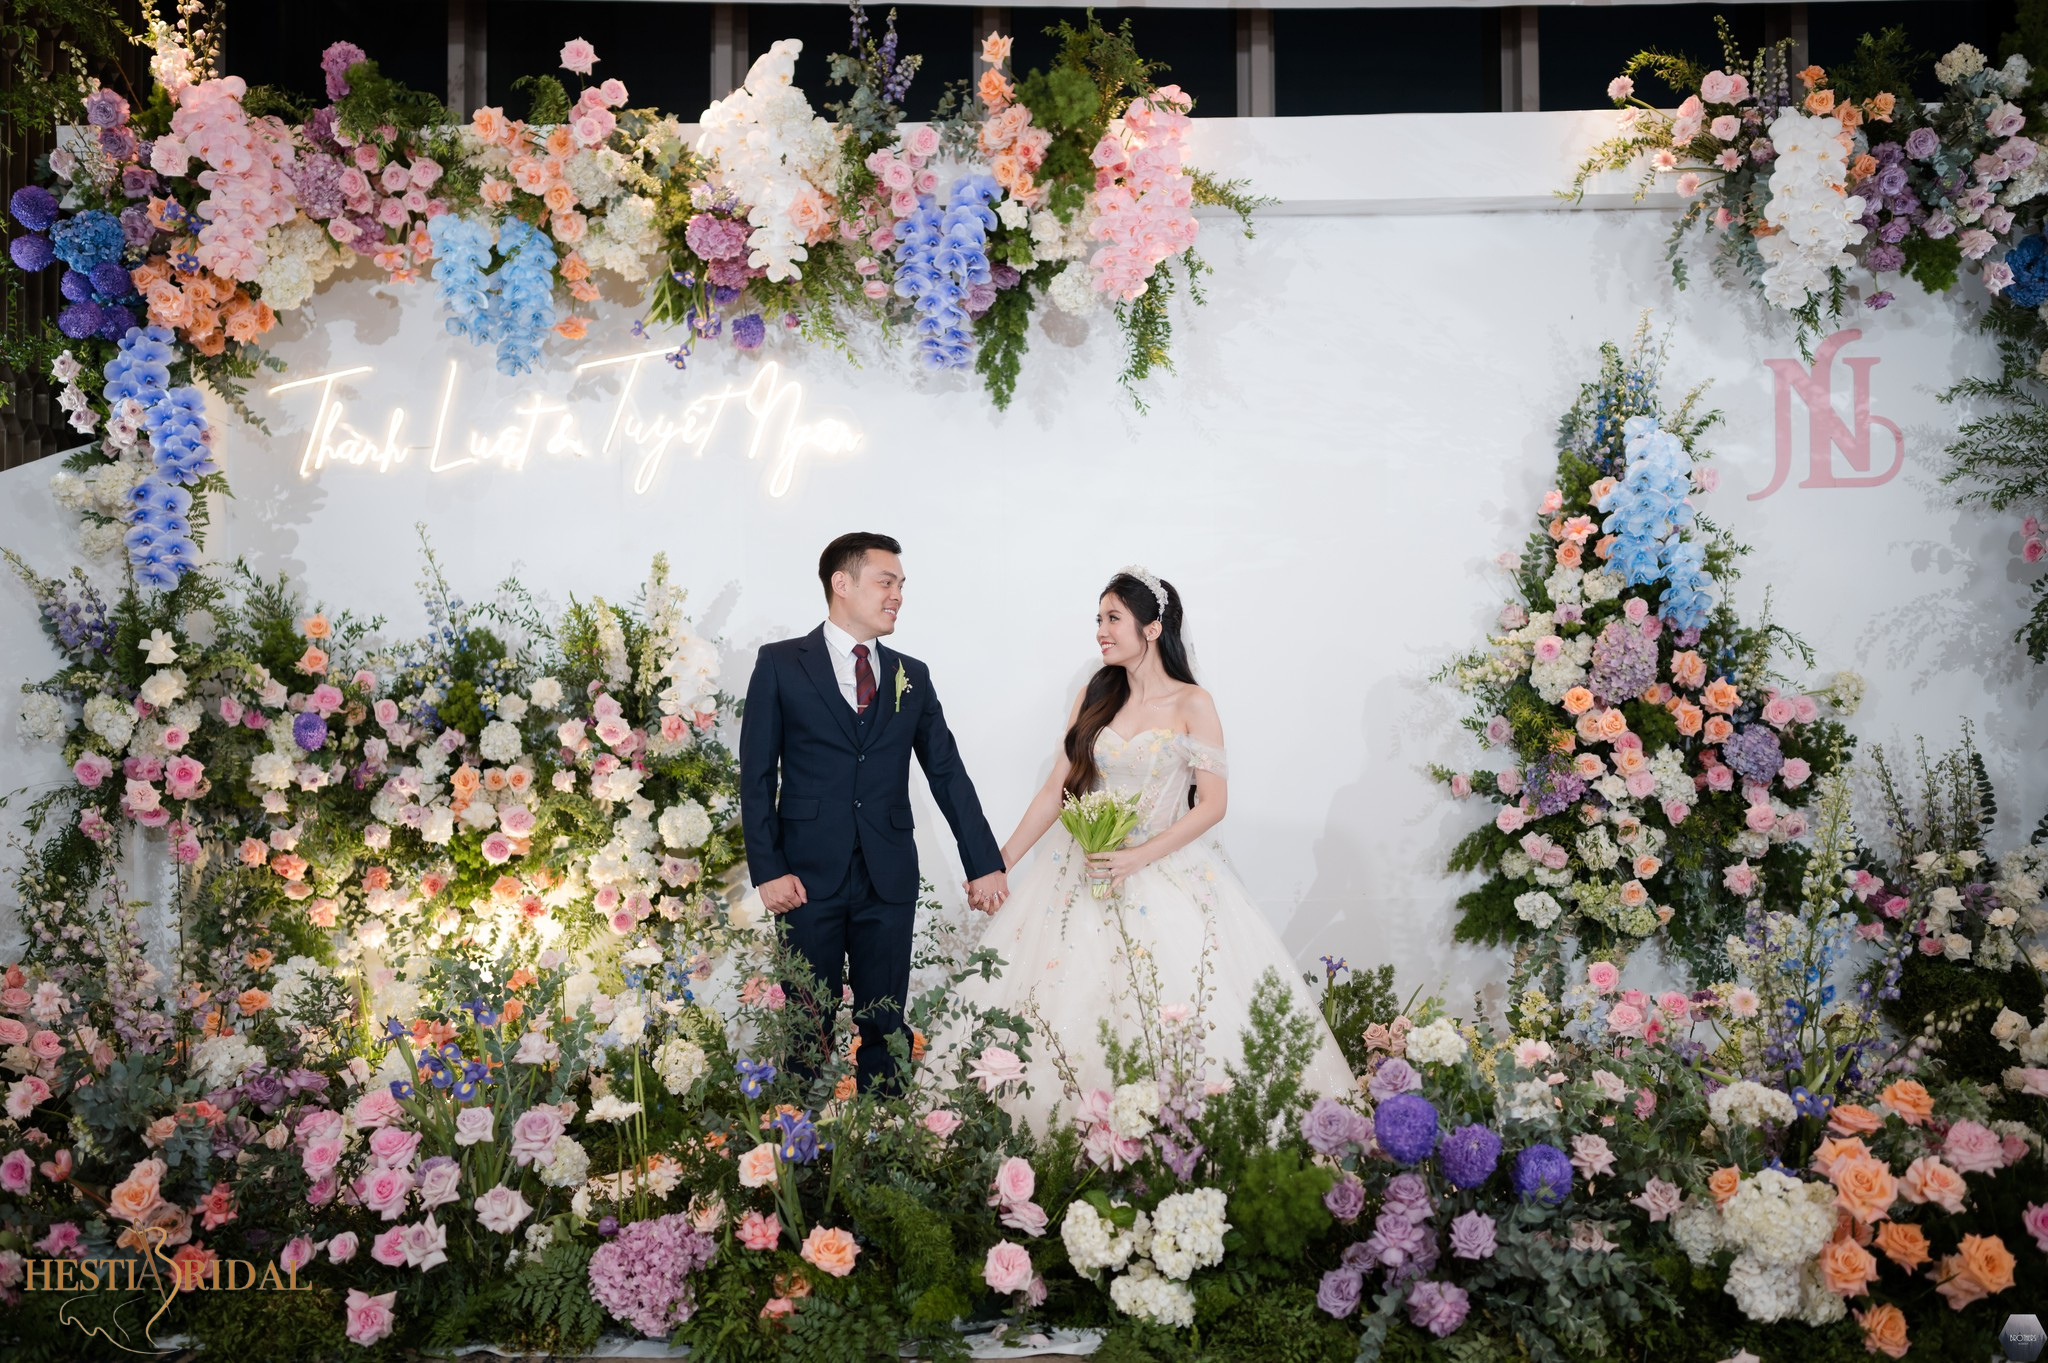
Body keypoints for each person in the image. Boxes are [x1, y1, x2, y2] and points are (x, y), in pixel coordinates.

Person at [955, 566, 1357, 1132]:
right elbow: (1056, 790)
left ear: (1151, 628)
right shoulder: (1094, 694)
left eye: (1113, 618)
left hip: (1161, 868)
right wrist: (996, 865)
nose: (1101, 630)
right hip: (1080, 870)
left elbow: (1212, 804)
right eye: (1098, 619)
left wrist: (1138, 857)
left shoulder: (1194, 702)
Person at [739, 532, 1009, 1095]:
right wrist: (767, 870)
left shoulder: (914, 674)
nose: (898, 595)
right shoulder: (781, 664)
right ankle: (800, 1160)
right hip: (805, 878)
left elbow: (948, 772)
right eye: (886, 582)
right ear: (842, 583)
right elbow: (758, 776)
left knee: (885, 1025)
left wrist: (984, 862)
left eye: (901, 585)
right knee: (806, 1026)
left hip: (887, 875)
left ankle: (883, 1147)